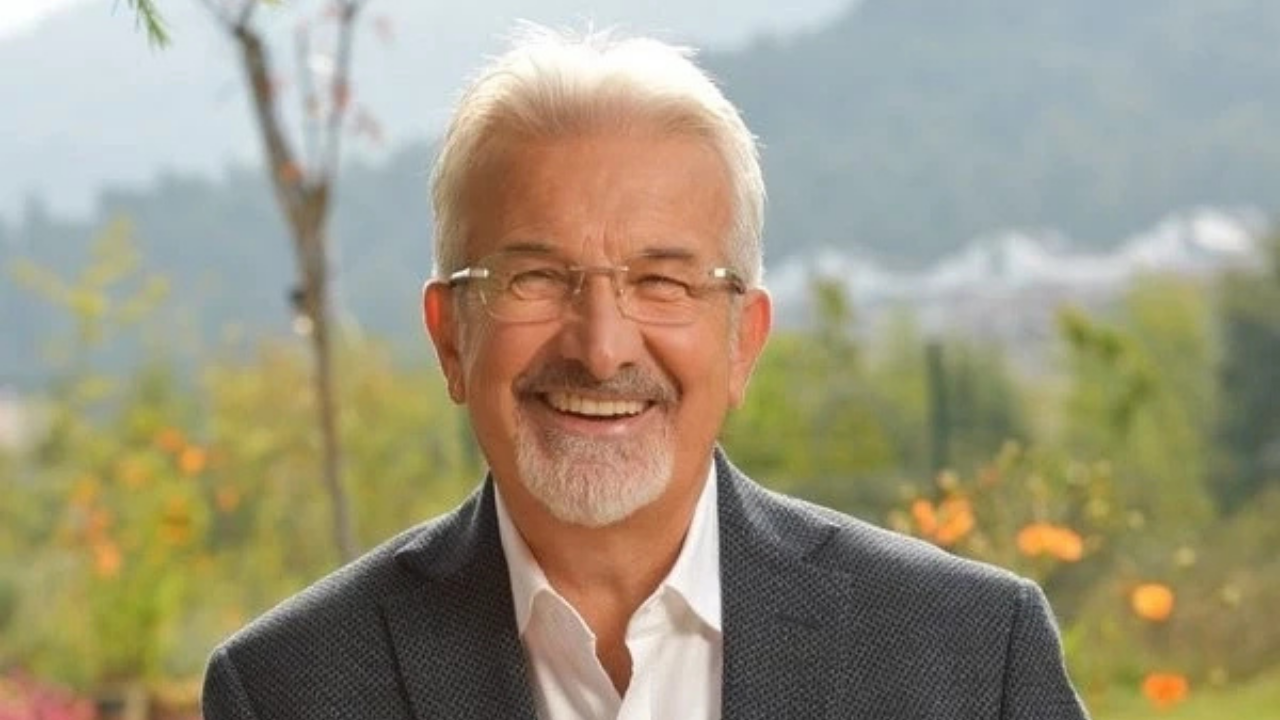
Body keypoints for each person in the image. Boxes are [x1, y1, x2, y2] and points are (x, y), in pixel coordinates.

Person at [202, 25, 1090, 720]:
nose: (601, 348)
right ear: (450, 338)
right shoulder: (287, 690)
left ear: (743, 341)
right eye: (535, 278)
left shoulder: (971, 657)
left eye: (662, 282)